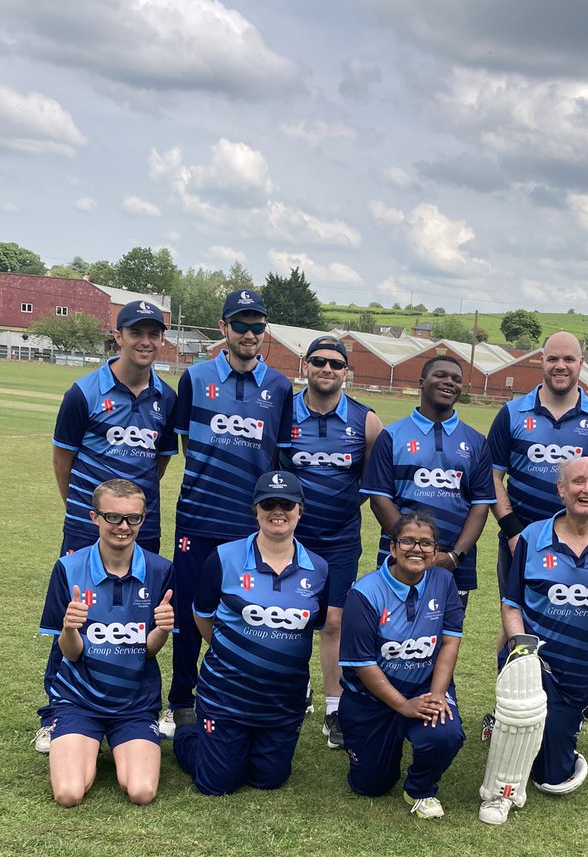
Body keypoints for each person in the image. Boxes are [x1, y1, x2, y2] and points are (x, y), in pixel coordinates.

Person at [35, 300, 178, 752]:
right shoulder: (83, 392)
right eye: (136, 332)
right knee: (74, 618)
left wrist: (128, 516)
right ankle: (56, 712)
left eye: (153, 334)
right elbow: (63, 458)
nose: (146, 341)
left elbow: (157, 464)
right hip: (87, 523)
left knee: (133, 618)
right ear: (118, 336)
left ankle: (132, 708)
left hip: (140, 525)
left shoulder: (166, 398)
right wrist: (87, 514)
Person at [162, 288, 295, 736]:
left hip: (248, 525)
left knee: (248, 612)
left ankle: (242, 692)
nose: (250, 333)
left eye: (258, 326)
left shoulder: (279, 387)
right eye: (241, 325)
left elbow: (280, 457)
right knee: (185, 611)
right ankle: (182, 699)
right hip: (198, 517)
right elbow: (186, 445)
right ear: (223, 328)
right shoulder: (195, 377)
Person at [483, 458, 588, 825]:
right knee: (520, 726)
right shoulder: (533, 536)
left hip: (577, 671)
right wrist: (521, 651)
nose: (587, 490)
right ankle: (499, 792)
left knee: (552, 776)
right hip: (530, 660)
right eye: (578, 482)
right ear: (561, 489)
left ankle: (546, 736)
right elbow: (511, 603)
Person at [172, 471, 328, 796]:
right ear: (255, 510)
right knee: (217, 784)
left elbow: (316, 625)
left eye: (287, 504)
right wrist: (232, 653)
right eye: (268, 503)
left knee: (268, 779)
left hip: (282, 703)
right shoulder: (224, 558)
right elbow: (202, 616)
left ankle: (241, 746)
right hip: (227, 697)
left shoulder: (319, 569)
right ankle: (187, 729)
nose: (278, 511)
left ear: (300, 509)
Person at [38, 479, 175, 808]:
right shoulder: (68, 568)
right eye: (112, 517)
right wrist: (70, 629)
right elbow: (70, 654)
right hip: (79, 701)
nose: (123, 527)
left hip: (134, 705)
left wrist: (162, 631)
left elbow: (148, 650)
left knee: (141, 791)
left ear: (144, 518)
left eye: (133, 518)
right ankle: (82, 741)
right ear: (94, 517)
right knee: (69, 794)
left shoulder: (160, 570)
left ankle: (118, 741)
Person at [278, 336, 383, 750]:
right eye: (319, 361)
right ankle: (296, 687)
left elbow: (371, 481)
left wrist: (339, 505)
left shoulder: (366, 420)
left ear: (346, 372)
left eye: (335, 364)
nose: (327, 369)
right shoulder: (283, 413)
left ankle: (335, 709)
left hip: (340, 538)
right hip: (290, 537)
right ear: (306, 365)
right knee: (290, 615)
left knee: (334, 622)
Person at [338, 512, 465, 819]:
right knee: (370, 785)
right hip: (370, 698)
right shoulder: (364, 593)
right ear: (393, 548)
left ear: (435, 551)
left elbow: (449, 641)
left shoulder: (444, 581)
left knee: (444, 733)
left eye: (425, 543)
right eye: (407, 541)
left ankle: (420, 787)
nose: (416, 549)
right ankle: (383, 742)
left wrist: (436, 695)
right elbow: (363, 662)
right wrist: (402, 705)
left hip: (422, 687)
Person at [488, 331, 588, 596]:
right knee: (516, 621)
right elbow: (491, 477)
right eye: (553, 358)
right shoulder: (511, 413)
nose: (560, 365)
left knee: (570, 619)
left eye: (569, 359)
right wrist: (515, 532)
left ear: (581, 363)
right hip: (520, 540)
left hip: (579, 546)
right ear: (542, 361)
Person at [360, 355, 495, 609]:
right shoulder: (392, 435)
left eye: (456, 379)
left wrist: (453, 557)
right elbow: (379, 499)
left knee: (447, 638)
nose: (449, 382)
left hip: (455, 565)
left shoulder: (476, 441)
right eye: (441, 375)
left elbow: (481, 505)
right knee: (392, 635)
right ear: (421, 382)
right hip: (399, 559)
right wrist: (411, 548)